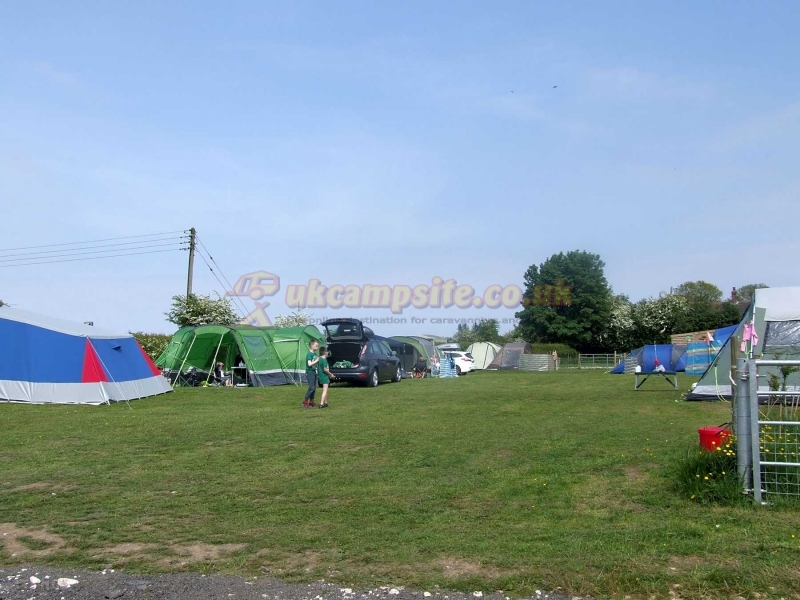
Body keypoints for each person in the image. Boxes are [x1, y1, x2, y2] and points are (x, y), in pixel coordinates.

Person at [303, 340, 320, 408]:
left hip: (314, 372)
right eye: (316, 346)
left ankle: (311, 401)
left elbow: (315, 363)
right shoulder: (309, 354)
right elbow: (309, 364)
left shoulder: (315, 354)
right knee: (311, 388)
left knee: (314, 388)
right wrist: (316, 360)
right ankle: (305, 401)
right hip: (310, 372)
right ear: (312, 345)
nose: (317, 347)